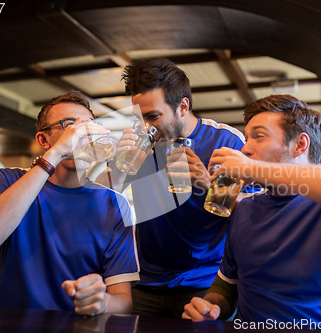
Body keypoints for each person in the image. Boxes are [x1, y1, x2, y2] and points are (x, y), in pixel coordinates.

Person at [182, 94, 321, 326]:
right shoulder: (244, 210)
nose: (245, 149)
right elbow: (226, 286)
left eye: (259, 136)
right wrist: (213, 307)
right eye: (246, 138)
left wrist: (254, 169)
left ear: (300, 145)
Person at [0, 91, 139, 315]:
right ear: (43, 139)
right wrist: (57, 152)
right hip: (14, 324)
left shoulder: (114, 204)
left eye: (89, 126)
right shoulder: (9, 179)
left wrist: (103, 303)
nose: (82, 134)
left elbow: (124, 302)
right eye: (70, 126)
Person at [100, 58, 245, 317]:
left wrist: (207, 184)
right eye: (140, 117)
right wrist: (119, 169)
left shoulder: (225, 142)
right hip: (145, 281)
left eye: (153, 116)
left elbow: (246, 215)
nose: (146, 126)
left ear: (183, 106)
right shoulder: (139, 143)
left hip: (204, 282)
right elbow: (104, 199)